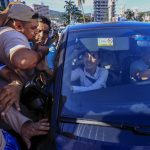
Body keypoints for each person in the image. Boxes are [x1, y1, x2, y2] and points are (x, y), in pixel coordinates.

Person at [0, 3, 50, 114]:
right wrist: (41, 53)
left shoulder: (9, 33)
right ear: (18, 26)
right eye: (34, 28)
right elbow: (23, 60)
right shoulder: (12, 35)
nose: (37, 32)